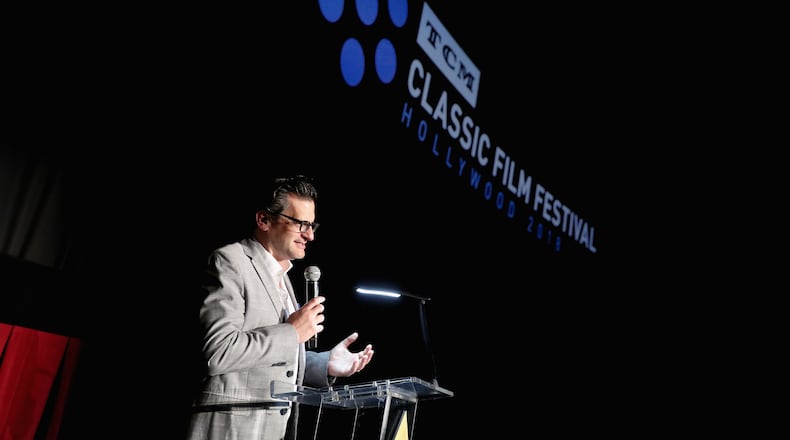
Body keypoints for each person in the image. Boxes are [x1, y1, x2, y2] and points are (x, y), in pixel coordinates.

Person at [186, 175, 374, 440]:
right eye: (300, 224)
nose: (309, 235)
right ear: (264, 220)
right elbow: (218, 353)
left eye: (312, 225)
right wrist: (292, 332)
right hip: (229, 431)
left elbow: (271, 361)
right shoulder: (229, 262)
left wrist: (324, 364)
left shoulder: (283, 275)